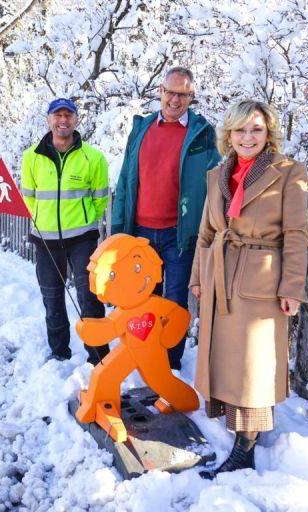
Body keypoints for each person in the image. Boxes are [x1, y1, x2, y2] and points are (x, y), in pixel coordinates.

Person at [189, 99, 308, 477]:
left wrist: (292, 287)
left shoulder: (288, 172)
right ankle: (235, 431)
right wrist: (198, 277)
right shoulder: (216, 174)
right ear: (230, 134)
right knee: (226, 358)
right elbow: (207, 233)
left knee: (251, 366)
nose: (248, 137)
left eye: (256, 129)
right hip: (219, 273)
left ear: (268, 132)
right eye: (240, 130)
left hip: (260, 279)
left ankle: (246, 448)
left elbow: (296, 234)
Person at [111, 66, 221, 371]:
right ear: (160, 91)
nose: (176, 99)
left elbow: (216, 182)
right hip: (141, 233)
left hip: (179, 235)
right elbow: (125, 181)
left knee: (173, 303)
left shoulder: (202, 134)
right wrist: (119, 232)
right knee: (141, 300)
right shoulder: (142, 129)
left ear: (192, 96)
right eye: (170, 92)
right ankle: (143, 355)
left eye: (183, 94)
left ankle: (170, 365)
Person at [20, 98, 110, 364]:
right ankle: (59, 352)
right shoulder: (31, 157)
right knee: (52, 298)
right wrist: (43, 220)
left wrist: (84, 220)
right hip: (45, 241)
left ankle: (98, 356)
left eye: (68, 115)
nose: (63, 120)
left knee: (90, 297)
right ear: (48, 119)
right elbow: (29, 196)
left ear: (76, 119)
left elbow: (100, 198)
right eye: (57, 115)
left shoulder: (93, 157)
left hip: (82, 240)